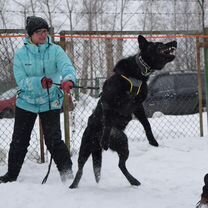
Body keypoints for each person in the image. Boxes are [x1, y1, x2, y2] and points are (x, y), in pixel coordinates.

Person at [0, 16, 77, 183]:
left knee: (54, 140)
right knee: (19, 141)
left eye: (45, 31)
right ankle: (11, 175)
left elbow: (67, 66)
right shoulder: (20, 56)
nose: (43, 35)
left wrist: (69, 80)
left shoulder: (56, 51)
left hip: (50, 102)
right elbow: (21, 81)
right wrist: (39, 82)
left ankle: (68, 174)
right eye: (38, 32)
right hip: (26, 102)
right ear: (30, 35)